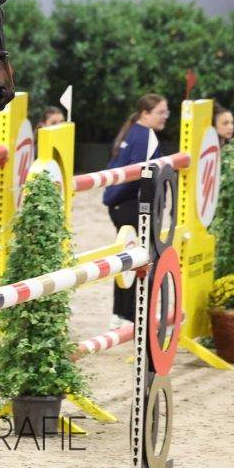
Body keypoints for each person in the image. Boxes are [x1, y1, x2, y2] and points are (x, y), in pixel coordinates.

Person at [103, 93, 169, 326]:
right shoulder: (145, 136)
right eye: (161, 112)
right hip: (131, 205)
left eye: (166, 111)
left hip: (119, 204)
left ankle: (119, 315)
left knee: (126, 259)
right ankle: (131, 316)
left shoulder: (132, 131)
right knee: (138, 260)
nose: (165, 116)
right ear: (145, 113)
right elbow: (136, 175)